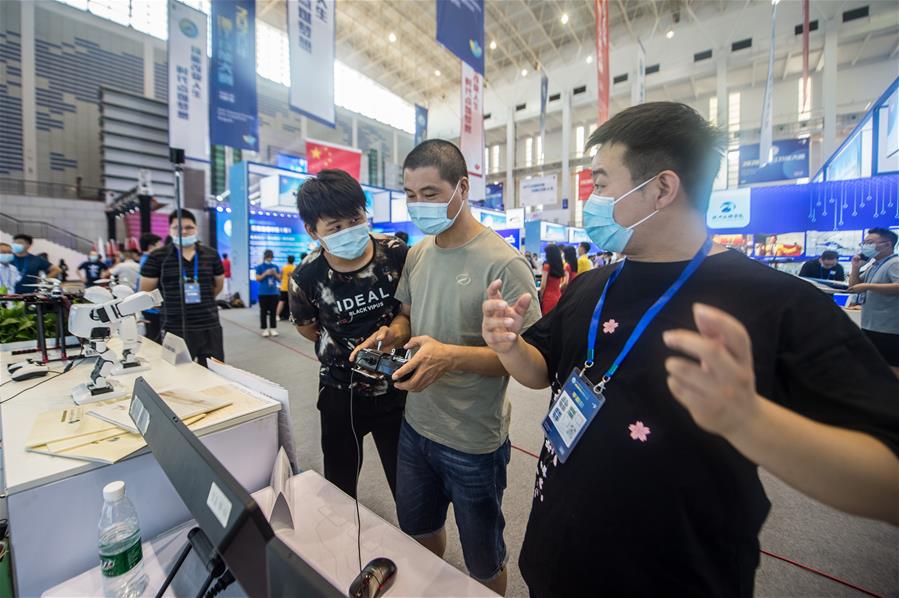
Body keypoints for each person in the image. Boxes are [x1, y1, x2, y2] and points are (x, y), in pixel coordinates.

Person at [480, 102, 899, 597]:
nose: (591, 202)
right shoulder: (591, 287)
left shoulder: (775, 303)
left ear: (662, 188)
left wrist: (751, 422)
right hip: (555, 560)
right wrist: (509, 347)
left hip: (676, 577)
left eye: (601, 183)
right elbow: (541, 370)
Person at [354, 140, 540, 595]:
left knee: (483, 559)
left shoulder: (503, 263)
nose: (418, 204)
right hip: (416, 427)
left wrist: (450, 356)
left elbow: (530, 362)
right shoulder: (419, 253)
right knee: (418, 533)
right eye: (410, 194)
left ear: (462, 187)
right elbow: (407, 315)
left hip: (473, 439)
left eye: (430, 193)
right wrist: (393, 334)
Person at [289, 169, 409, 500]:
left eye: (355, 220)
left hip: (396, 385)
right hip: (340, 390)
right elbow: (307, 327)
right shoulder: (306, 276)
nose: (349, 231)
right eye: (336, 227)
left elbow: (408, 311)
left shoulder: (394, 252)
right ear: (312, 230)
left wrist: (395, 332)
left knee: (409, 486)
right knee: (339, 488)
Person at [140, 209, 226, 367]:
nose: (184, 231)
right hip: (175, 326)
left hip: (209, 324)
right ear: (170, 230)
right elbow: (146, 292)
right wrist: (169, 306)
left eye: (189, 227)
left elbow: (218, 285)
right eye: (178, 228)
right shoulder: (158, 257)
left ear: (196, 229)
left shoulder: (211, 254)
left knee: (214, 372)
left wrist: (203, 300)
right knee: (177, 373)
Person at [848, 227, 899, 377]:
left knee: (892, 367)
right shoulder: (874, 265)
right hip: (871, 325)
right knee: (874, 366)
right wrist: (855, 267)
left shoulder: (894, 263)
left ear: (887, 244)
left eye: (870, 243)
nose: (865, 246)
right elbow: (854, 286)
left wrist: (868, 286)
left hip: (889, 329)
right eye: (864, 243)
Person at [138, 233, 164, 341]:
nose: (162, 247)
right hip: (153, 308)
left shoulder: (144, 259)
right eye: (159, 244)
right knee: (155, 339)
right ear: (151, 246)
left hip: (150, 307)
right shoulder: (151, 261)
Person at [255, 249, 281, 337]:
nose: (270, 258)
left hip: (274, 293)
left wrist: (275, 274)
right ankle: (265, 329)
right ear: (265, 257)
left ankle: (273, 328)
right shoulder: (260, 267)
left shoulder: (275, 267)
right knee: (263, 311)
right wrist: (265, 273)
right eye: (268, 257)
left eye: (271, 257)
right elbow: (258, 278)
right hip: (263, 293)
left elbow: (279, 279)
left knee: (273, 311)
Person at [539, 244, 565, 315]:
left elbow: (543, 285)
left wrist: (541, 297)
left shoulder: (546, 266)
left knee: (547, 319)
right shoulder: (560, 266)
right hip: (558, 296)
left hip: (548, 298)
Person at [277, 255, 296, 321]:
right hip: (292, 288)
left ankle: (277, 315)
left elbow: (280, 277)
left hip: (284, 287)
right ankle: (292, 317)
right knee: (292, 303)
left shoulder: (284, 267)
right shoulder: (295, 267)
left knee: (281, 302)